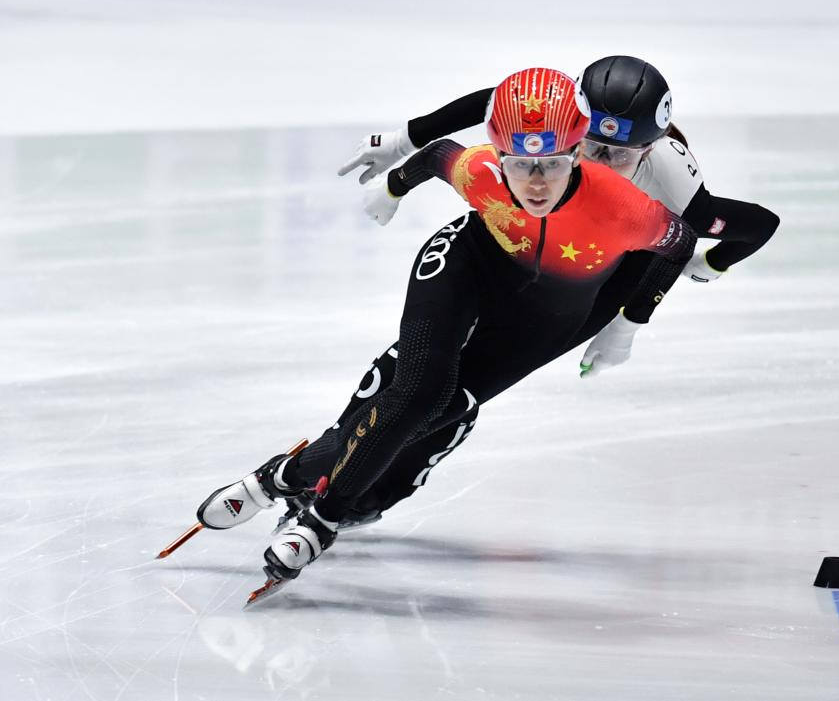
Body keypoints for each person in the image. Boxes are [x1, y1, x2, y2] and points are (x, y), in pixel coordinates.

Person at [193, 67, 700, 587]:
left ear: (575, 155)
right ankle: (320, 521)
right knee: (419, 393)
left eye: (551, 164)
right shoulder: (480, 171)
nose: (537, 182)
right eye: (520, 165)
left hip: (549, 316)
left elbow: (681, 243)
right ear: (499, 157)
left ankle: (277, 479)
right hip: (468, 267)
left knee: (439, 413)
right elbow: (438, 156)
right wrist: (393, 184)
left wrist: (627, 323)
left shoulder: (625, 206)